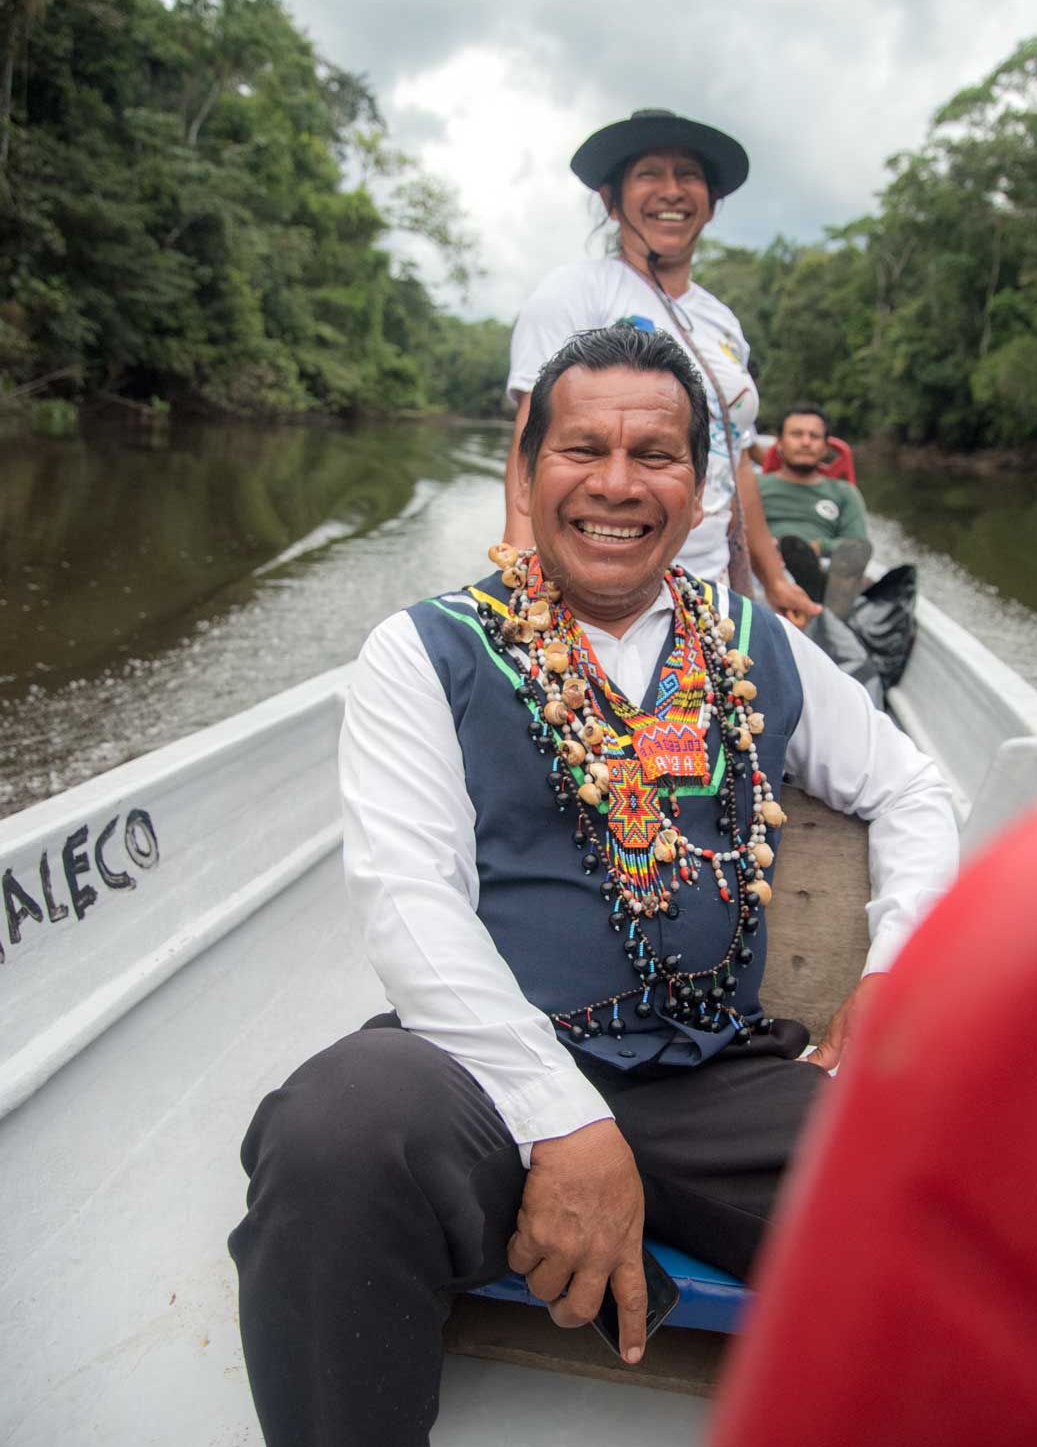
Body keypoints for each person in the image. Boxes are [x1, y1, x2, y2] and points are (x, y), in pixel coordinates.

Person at [230, 326, 959, 1447]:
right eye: (582, 448)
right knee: (337, 1133)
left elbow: (913, 791)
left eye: (655, 454)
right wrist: (564, 1122)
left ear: (702, 489)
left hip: (712, 1070)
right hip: (483, 1062)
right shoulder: (425, 652)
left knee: (961, 1217)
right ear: (525, 473)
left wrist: (895, 975)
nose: (616, 485)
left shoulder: (749, 644)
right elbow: (407, 900)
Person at [503, 108, 820, 627]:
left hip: (707, 587)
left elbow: (736, 462)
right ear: (611, 201)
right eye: (650, 173)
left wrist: (774, 578)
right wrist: (519, 577)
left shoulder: (723, 323)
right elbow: (532, 446)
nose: (672, 191)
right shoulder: (576, 293)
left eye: (689, 175)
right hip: (597, 591)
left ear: (711, 206)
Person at [757, 403, 872, 619]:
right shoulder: (755, 486)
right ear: (780, 443)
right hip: (768, 565)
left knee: (849, 559)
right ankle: (827, 614)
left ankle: (823, 600)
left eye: (814, 436)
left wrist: (819, 547)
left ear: (826, 447)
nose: (806, 442)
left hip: (825, 564)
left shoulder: (844, 492)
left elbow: (856, 543)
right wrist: (766, 548)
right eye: (797, 434)